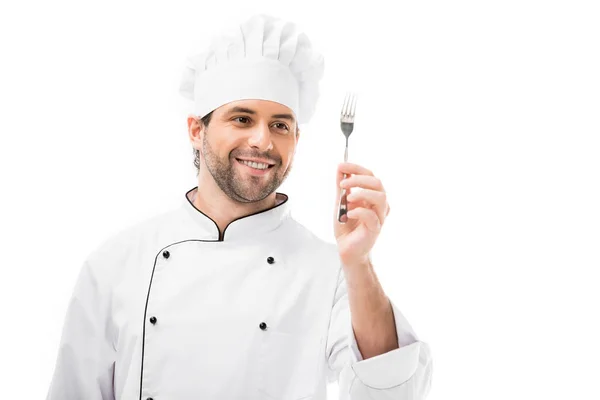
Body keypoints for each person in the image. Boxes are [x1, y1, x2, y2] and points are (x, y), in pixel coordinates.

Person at [45, 14, 433, 400]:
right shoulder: (116, 264)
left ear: (296, 138)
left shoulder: (330, 271)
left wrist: (358, 261)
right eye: (242, 118)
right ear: (197, 131)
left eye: (280, 125)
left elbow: (390, 390)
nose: (263, 141)